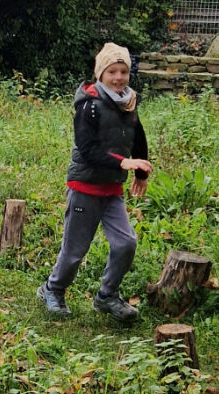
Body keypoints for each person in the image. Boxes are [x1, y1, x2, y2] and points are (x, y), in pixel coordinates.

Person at [35, 43, 151, 322]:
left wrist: (141, 171)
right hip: (85, 186)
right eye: (113, 71)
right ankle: (53, 289)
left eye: (124, 71)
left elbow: (138, 137)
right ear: (101, 74)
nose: (119, 77)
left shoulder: (128, 103)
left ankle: (107, 296)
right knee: (75, 251)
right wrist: (122, 162)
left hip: (111, 188)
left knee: (126, 243)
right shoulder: (90, 105)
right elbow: (87, 149)